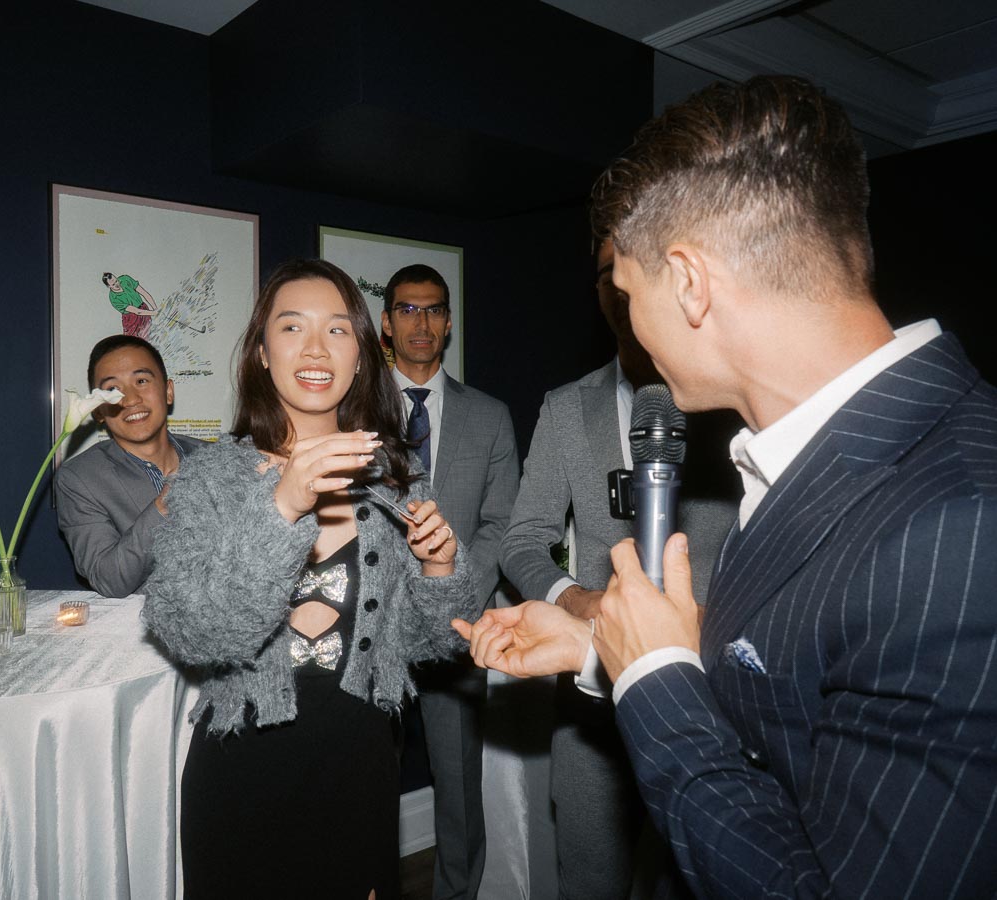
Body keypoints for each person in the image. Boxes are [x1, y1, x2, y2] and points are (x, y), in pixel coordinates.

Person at [456, 75, 997, 897]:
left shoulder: (964, 523)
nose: (629, 325)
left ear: (689, 283)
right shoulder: (817, 453)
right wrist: (601, 650)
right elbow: (793, 694)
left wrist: (653, 678)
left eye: (629, 295)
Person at [143, 258, 479, 899]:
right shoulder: (213, 478)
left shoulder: (396, 479)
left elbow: (435, 641)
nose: (316, 348)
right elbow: (190, 629)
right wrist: (284, 505)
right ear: (263, 353)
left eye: (338, 330)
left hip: (360, 769)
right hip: (243, 775)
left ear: (361, 354)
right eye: (292, 327)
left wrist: (440, 570)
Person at [498, 239, 737, 899]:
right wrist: (579, 600)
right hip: (591, 701)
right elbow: (522, 539)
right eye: (606, 272)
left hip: (714, 699)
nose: (622, 286)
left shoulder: (726, 398)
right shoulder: (567, 406)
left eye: (637, 267)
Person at [381, 263, 517, 900]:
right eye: (408, 309)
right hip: (372, 626)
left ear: (449, 322)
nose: (422, 323)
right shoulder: (352, 409)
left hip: (459, 625)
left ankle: (457, 892)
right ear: (386, 323)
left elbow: (501, 525)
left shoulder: (489, 416)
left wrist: (454, 594)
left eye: (435, 310)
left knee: (460, 785)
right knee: (360, 779)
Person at [55, 334, 205, 596]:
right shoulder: (79, 479)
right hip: (142, 632)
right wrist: (165, 502)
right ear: (99, 411)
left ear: (168, 391)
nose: (130, 398)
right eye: (112, 390)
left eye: (142, 381)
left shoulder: (213, 459)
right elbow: (109, 580)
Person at [103, 271, 158, 338]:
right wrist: (154, 313)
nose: (117, 284)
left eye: (116, 281)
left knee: (149, 335)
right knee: (134, 342)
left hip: (144, 310)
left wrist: (155, 308)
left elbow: (144, 293)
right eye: (113, 284)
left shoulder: (125, 279)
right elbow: (137, 311)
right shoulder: (114, 298)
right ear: (108, 286)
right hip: (131, 319)